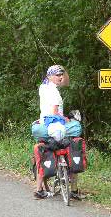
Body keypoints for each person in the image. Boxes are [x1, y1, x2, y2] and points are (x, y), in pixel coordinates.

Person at [33, 65, 80, 200]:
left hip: (43, 125)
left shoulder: (44, 87)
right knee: (76, 133)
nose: (60, 77)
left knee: (44, 151)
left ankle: (39, 189)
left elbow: (65, 82)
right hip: (54, 125)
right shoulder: (54, 93)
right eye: (57, 75)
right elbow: (55, 113)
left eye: (61, 74)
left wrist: (62, 70)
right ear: (49, 76)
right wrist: (67, 119)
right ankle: (74, 190)